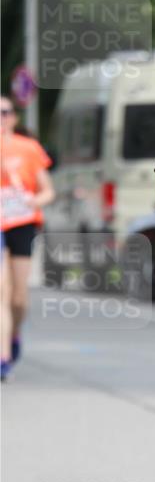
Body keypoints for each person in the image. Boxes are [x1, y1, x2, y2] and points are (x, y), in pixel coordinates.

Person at [0, 97, 55, 381]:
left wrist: (33, 201)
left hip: (22, 222)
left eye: (4, 112)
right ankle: (3, 357)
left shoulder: (28, 148)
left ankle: (14, 333)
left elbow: (48, 191)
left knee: (18, 298)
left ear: (13, 117)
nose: (0, 118)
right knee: (1, 291)